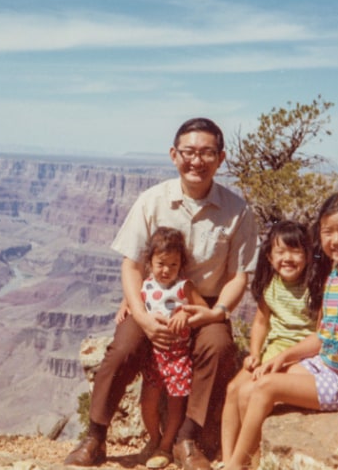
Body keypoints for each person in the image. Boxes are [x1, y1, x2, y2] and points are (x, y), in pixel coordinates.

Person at [64, 117, 259, 470]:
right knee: (122, 349)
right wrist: (140, 314)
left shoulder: (237, 211)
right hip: (151, 302)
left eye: (207, 153)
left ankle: (186, 439)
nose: (196, 161)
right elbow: (131, 265)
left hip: (203, 308)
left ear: (221, 157)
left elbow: (238, 276)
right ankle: (95, 436)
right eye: (189, 152)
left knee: (217, 347)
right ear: (174, 154)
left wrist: (217, 314)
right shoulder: (151, 201)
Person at [222, 191, 338, 470]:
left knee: (264, 388)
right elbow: (322, 337)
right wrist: (282, 358)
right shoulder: (334, 275)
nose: (336, 240)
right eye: (328, 231)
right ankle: (256, 462)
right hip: (326, 367)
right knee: (248, 388)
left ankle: (237, 465)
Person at [220, 220, 316, 464]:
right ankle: (228, 458)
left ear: (307, 254)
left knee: (248, 393)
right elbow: (261, 323)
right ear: (270, 257)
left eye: (295, 251)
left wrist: (280, 359)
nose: (288, 258)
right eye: (280, 251)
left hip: (300, 356)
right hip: (271, 352)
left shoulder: (313, 289)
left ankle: (251, 462)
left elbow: (320, 335)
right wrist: (254, 354)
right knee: (233, 389)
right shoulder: (271, 286)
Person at [125, 227, 210, 469]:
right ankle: (155, 438)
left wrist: (185, 311)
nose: (166, 270)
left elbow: (203, 309)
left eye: (173, 265)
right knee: (148, 404)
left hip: (178, 358)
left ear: (181, 264)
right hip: (153, 357)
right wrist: (125, 305)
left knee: (175, 406)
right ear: (150, 261)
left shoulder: (184, 287)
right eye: (161, 263)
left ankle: (167, 445)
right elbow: (135, 299)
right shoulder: (146, 285)